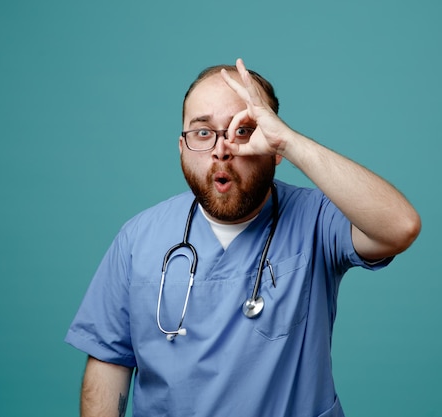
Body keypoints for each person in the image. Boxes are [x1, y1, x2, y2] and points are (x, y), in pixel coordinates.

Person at [65, 58, 421, 417]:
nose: (222, 149)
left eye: (243, 130)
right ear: (181, 147)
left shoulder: (317, 220)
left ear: (274, 147)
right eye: (203, 133)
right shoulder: (137, 240)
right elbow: (110, 362)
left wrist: (291, 141)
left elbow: (400, 226)